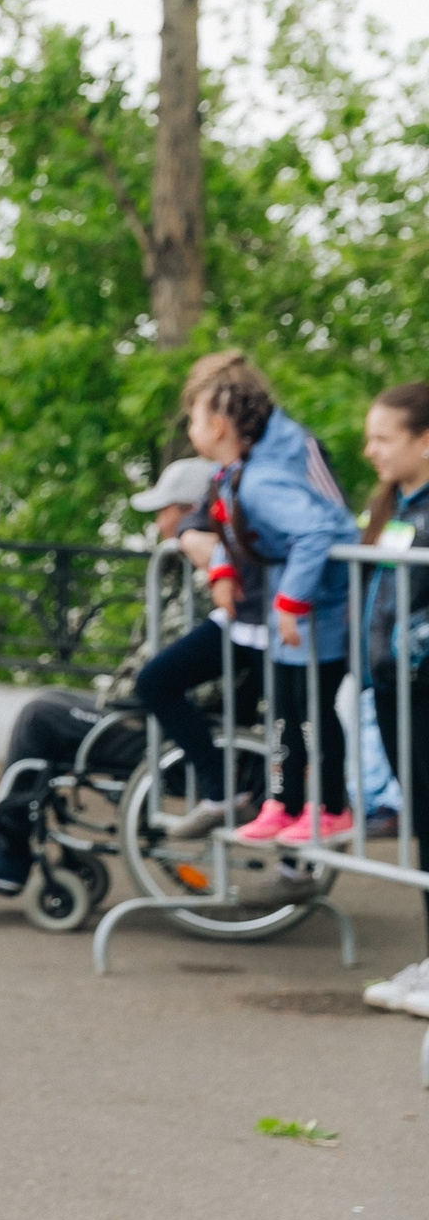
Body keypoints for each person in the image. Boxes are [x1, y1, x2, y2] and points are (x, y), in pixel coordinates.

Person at [0, 457, 221, 892]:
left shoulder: (205, 582)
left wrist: (126, 695)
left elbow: (192, 676)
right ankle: (4, 841)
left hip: (167, 728)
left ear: (192, 510)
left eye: (164, 511)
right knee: (51, 703)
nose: (158, 524)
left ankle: (8, 852)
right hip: (148, 715)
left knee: (41, 716)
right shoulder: (184, 570)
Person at [174, 353, 359, 847]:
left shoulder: (262, 479)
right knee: (284, 706)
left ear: (217, 426)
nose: (189, 429)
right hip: (293, 605)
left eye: (193, 419)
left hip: (320, 607)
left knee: (311, 709)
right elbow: (230, 525)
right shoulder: (239, 471)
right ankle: (285, 803)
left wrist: (290, 602)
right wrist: (223, 567)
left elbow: (316, 529)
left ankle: (332, 808)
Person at [356, 383, 429, 1014]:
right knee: (424, 827)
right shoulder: (394, 506)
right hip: (392, 690)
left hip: (421, 689)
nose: (370, 450)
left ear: (424, 441)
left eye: (384, 438)